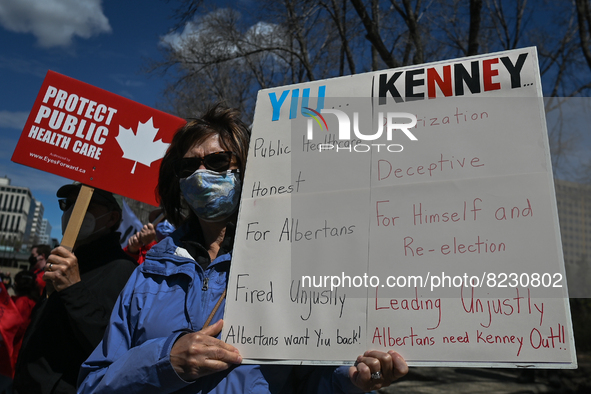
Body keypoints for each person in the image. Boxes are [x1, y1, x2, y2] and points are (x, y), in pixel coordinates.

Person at [78, 104, 408, 393]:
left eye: (218, 161)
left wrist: (350, 382)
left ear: (247, 169)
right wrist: (166, 362)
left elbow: (311, 382)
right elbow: (93, 383)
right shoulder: (148, 275)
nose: (201, 174)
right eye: (188, 167)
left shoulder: (292, 268)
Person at [12, 185, 137, 394]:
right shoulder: (67, 259)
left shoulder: (122, 269)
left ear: (111, 218)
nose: (71, 211)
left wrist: (73, 288)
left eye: (84, 204)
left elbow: (108, 343)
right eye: (67, 204)